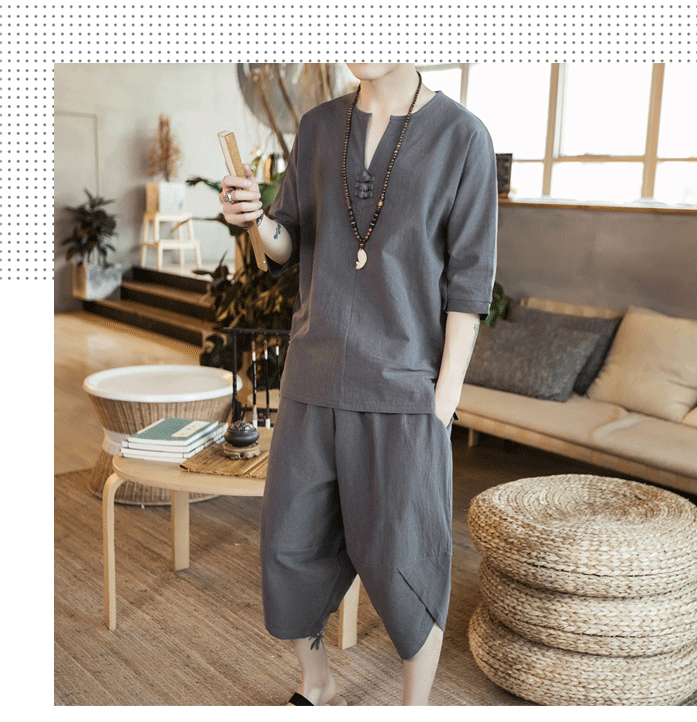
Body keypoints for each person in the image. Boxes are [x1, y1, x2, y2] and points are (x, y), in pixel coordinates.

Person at [220, 63, 497, 706]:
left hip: (404, 389)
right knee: (290, 546)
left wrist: (443, 401)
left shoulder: (463, 137)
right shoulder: (318, 127)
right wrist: (254, 219)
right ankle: (316, 684)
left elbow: (469, 281)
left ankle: (413, 709)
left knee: (407, 558)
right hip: (312, 377)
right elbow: (286, 242)